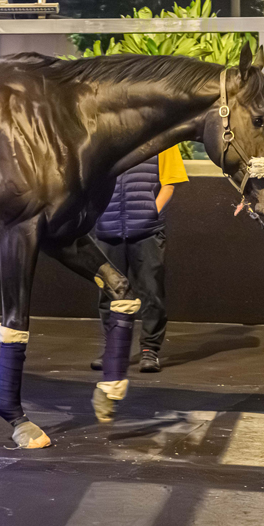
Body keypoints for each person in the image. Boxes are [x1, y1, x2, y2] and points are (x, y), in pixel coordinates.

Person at [90, 144, 189, 373]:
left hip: (146, 231)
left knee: (151, 291)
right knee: (109, 294)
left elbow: (170, 182)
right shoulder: (105, 139)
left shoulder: (162, 140)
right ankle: (114, 349)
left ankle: (149, 350)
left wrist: (151, 213)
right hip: (108, 228)